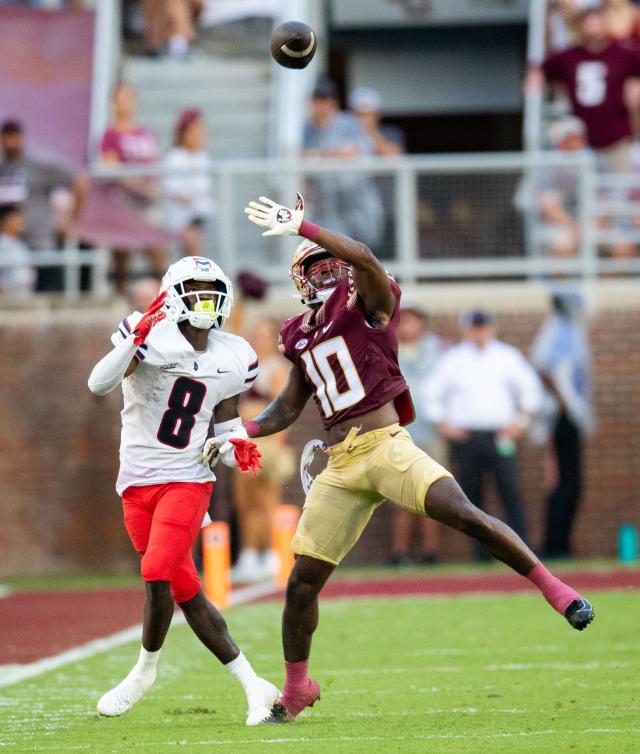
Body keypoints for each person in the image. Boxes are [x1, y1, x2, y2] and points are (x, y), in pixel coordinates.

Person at [200, 193, 595, 724]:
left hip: (386, 446)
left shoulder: (368, 305)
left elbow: (364, 257)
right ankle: (297, 688)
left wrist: (304, 226)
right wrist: (239, 432)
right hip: (340, 466)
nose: (327, 272)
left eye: (330, 263)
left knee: (464, 514)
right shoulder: (298, 335)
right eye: (316, 267)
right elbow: (288, 407)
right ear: (300, 282)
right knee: (300, 584)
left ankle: (558, 592)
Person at [87, 255, 278, 725]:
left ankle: (142, 672)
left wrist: (238, 450)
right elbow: (98, 384)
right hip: (135, 482)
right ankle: (255, 686)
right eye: (193, 289)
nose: (204, 299)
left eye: (211, 291)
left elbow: (228, 422)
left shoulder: (233, 353)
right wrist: (138, 335)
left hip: (188, 479)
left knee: (156, 570)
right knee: (186, 590)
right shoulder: (148, 333)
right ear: (172, 295)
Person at [424, 309, 542, 550]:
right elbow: (430, 393)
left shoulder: (507, 357)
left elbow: (531, 390)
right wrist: (444, 424)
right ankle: (481, 552)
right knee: (470, 497)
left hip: (500, 436)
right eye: (474, 328)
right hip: (466, 437)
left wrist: (520, 423)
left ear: (492, 328)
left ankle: (521, 548)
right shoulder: (453, 359)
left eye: (483, 327)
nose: (479, 333)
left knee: (509, 491)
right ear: (466, 330)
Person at [526, 0, 640, 171]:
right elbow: (541, 69)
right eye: (589, 23)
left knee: (619, 187)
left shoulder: (621, 52)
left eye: (597, 22)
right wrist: (534, 77)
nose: (593, 27)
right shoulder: (570, 56)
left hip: (617, 136)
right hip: (584, 139)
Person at [530, 291, 594, 559]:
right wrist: (565, 403)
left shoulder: (567, 329)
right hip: (561, 415)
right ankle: (555, 544)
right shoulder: (559, 330)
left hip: (569, 413)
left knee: (571, 482)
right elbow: (543, 366)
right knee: (565, 481)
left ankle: (561, 542)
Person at [232, 316, 294, 582]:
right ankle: (248, 555)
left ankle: (271, 554)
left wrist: (277, 443)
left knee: (265, 499)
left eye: (264, 333)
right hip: (243, 441)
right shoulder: (245, 366)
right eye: (255, 333)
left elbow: (282, 407)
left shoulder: (277, 369)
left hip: (266, 442)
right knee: (244, 500)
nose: (259, 338)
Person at [390, 306, 446, 565]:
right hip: (400, 432)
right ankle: (400, 553)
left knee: (434, 493)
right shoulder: (387, 347)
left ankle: (431, 552)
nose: (408, 324)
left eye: (413, 319)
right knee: (403, 495)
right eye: (403, 319)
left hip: (432, 432)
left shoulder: (439, 350)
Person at [303, 79, 384, 249]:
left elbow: (352, 152)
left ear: (333, 103)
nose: (320, 105)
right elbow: (300, 157)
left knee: (366, 251)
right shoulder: (307, 130)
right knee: (333, 253)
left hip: (357, 201)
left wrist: (320, 155)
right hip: (327, 205)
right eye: (317, 100)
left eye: (325, 100)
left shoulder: (347, 123)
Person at [100, 82, 166, 293]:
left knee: (156, 249)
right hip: (123, 202)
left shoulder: (144, 133)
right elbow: (112, 169)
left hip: (146, 202)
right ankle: (120, 294)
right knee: (122, 252)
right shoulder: (110, 136)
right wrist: (137, 185)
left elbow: (154, 163)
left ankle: (163, 297)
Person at [0, 119, 77, 290]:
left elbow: (79, 181)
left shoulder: (38, 166)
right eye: (7, 136)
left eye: (14, 136)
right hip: (9, 247)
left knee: (44, 296)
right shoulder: (2, 168)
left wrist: (73, 219)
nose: (10, 141)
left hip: (40, 245)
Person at [513, 115, 586, 257]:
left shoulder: (590, 160)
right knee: (563, 244)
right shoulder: (548, 162)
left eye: (578, 138)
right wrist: (575, 228)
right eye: (570, 139)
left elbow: (603, 199)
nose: (576, 143)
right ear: (559, 142)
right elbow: (549, 206)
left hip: (575, 221)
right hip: (538, 221)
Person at [163, 109, 214, 257]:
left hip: (198, 216)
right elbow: (174, 191)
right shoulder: (175, 157)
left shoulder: (202, 157)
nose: (198, 135)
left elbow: (204, 190)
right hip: (181, 217)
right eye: (194, 131)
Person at [0, 204, 35, 296]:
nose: (20, 222)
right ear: (4, 221)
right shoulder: (2, 245)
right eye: (15, 218)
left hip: (24, 295)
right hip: (6, 299)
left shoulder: (21, 245)